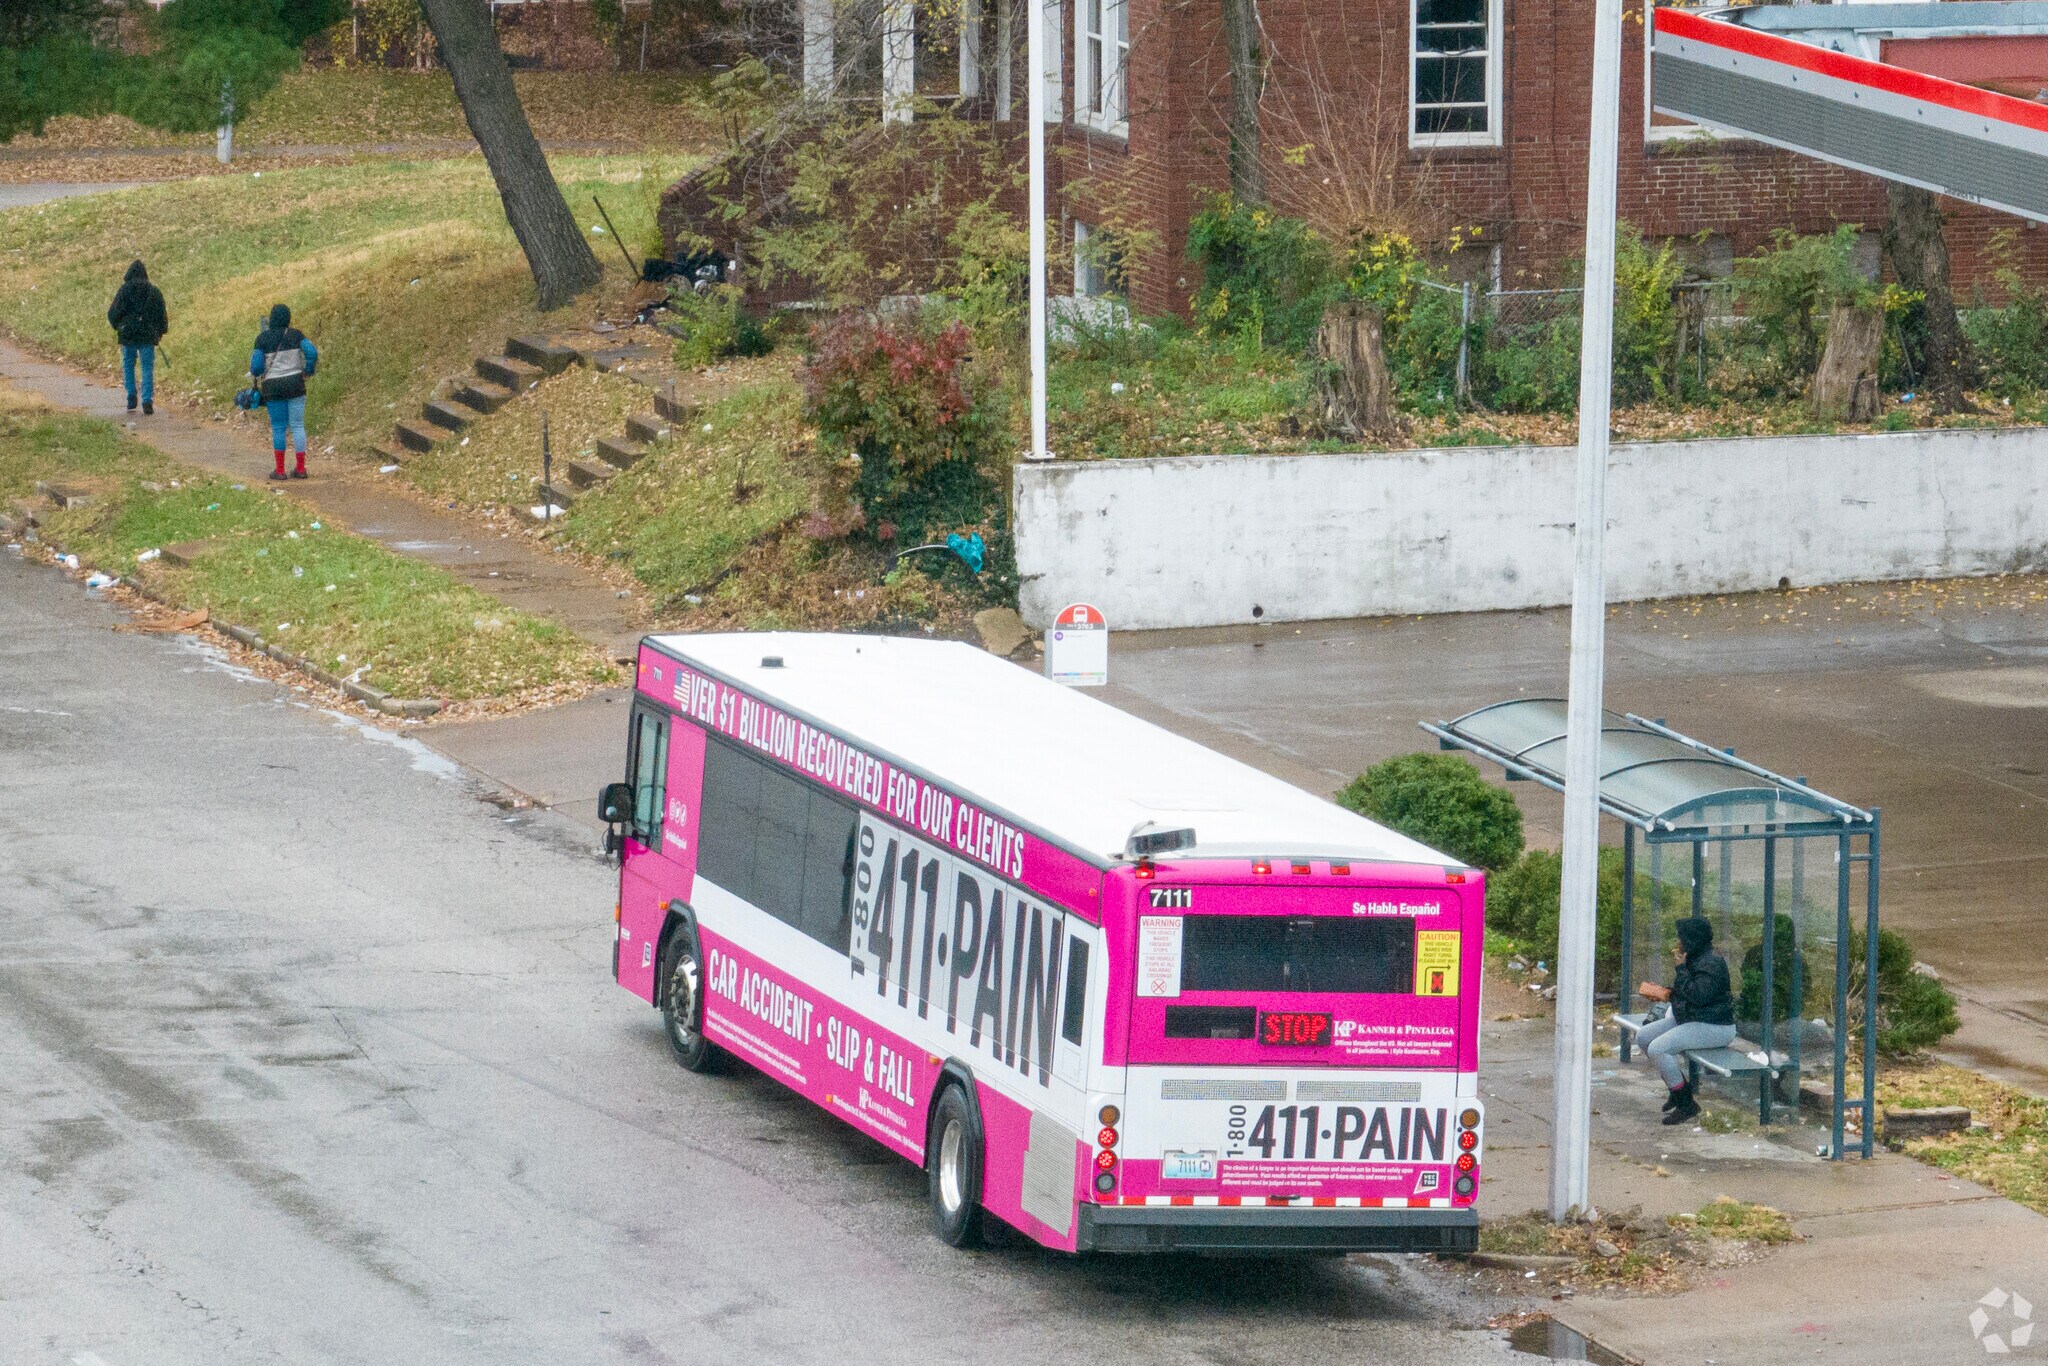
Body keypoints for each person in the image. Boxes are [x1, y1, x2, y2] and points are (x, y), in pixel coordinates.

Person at [1635, 917, 1736, 1125]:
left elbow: (1698, 996)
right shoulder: (1695, 958)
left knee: (1658, 1049)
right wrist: (1665, 993)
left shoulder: (1712, 963)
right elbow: (1687, 993)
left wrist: (1680, 970)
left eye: (1682, 938)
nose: (1678, 942)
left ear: (1692, 940)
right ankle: (1677, 1087)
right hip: (1692, 1020)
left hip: (1715, 1026)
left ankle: (1686, 1103)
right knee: (1644, 1036)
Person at [251, 304, 318, 481]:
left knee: (278, 428)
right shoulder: (297, 335)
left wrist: (258, 372)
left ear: (271, 318)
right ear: (288, 318)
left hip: (273, 388)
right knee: (297, 425)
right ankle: (301, 468)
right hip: (296, 384)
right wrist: (308, 370)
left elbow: (256, 367)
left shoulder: (262, 339)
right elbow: (312, 351)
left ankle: (280, 470)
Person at [107, 260, 168, 416]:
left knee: (128, 364)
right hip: (147, 334)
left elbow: (113, 313)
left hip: (128, 334)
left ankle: (131, 395)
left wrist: (118, 327)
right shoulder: (153, 292)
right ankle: (147, 401)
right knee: (147, 367)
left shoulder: (124, 290)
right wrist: (160, 332)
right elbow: (161, 314)